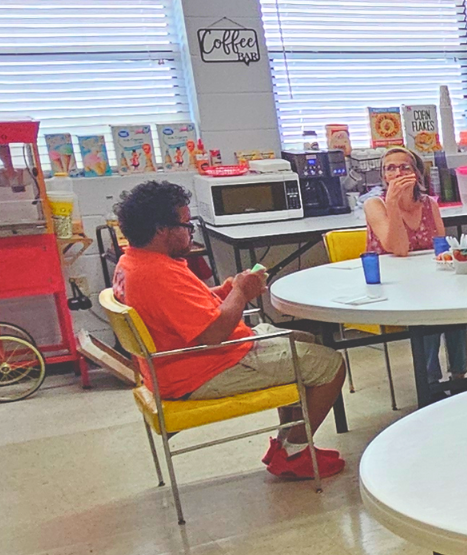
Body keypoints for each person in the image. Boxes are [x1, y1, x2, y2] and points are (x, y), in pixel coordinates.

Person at [112, 180, 347, 481]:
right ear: (161, 229)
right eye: (185, 225)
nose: (190, 232)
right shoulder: (157, 273)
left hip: (183, 363)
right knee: (330, 365)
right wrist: (240, 292)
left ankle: (286, 444)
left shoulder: (133, 262)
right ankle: (295, 452)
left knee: (305, 341)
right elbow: (213, 335)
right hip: (202, 369)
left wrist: (224, 292)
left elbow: (176, 309)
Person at [363, 146, 467, 395]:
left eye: (404, 167)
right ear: (383, 176)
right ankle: (430, 382)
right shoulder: (375, 204)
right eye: (390, 168)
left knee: (454, 307)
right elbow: (398, 248)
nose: (397, 173)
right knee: (426, 310)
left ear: (417, 173)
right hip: (392, 285)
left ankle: (459, 376)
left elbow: (440, 248)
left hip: (428, 279)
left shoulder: (429, 204)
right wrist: (393, 204)